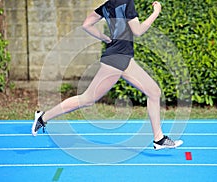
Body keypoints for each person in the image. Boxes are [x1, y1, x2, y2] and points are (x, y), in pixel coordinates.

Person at [31, 0, 183, 150]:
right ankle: (43, 117)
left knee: (154, 92)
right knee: (88, 99)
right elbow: (138, 31)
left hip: (124, 58)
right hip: (116, 59)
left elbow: (86, 25)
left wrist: (106, 39)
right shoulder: (126, 2)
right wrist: (155, 13)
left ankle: (159, 138)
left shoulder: (107, 5)